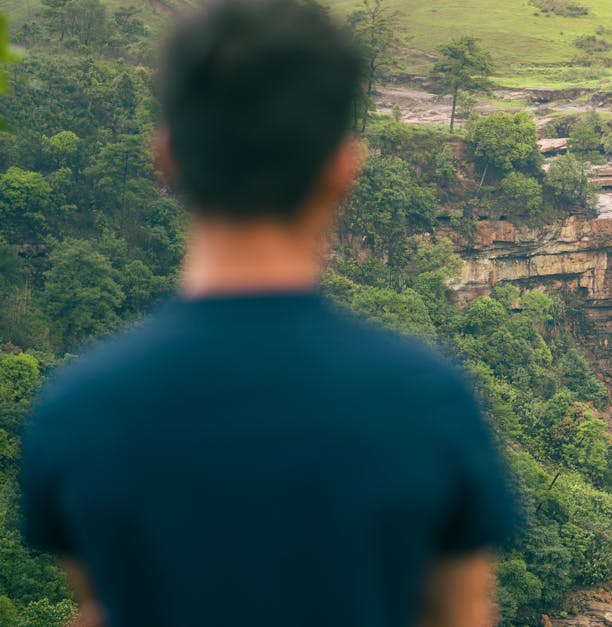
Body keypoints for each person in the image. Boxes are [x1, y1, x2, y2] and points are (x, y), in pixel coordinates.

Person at [19, 1, 517, 625]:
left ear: (166, 159)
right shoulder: (428, 399)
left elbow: (104, 607)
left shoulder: (77, 407)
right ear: (343, 169)